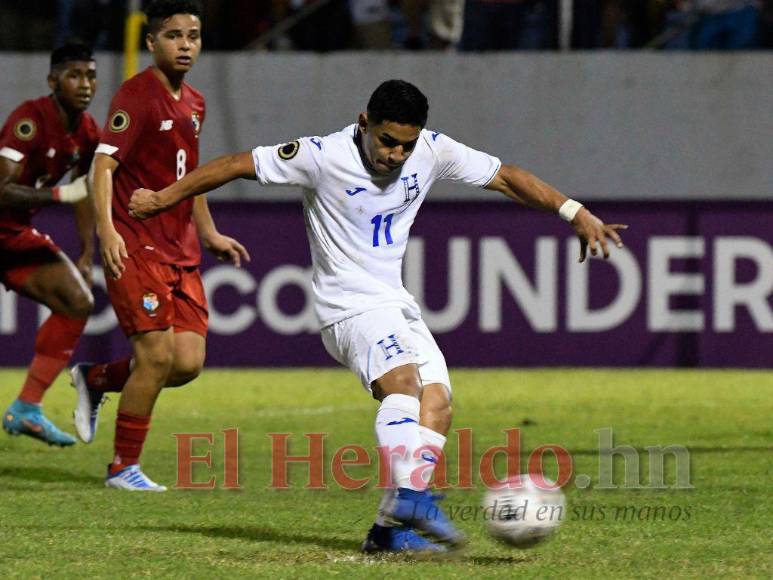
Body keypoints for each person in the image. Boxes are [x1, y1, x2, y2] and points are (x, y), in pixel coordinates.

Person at [128, 80, 626, 549]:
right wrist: (162, 199)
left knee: (438, 403)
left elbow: (505, 177)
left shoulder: (431, 149)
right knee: (402, 384)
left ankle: (389, 531)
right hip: (347, 305)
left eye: (406, 146)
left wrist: (575, 212)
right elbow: (236, 164)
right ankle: (411, 498)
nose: (396, 155)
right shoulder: (322, 155)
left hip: (394, 301)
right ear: (364, 121)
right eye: (388, 141)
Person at [73, 0, 249, 491]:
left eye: (193, 35)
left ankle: (96, 378)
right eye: (173, 36)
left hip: (181, 248)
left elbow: (188, 177)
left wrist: (209, 233)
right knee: (154, 357)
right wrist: (108, 230)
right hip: (136, 245)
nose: (185, 45)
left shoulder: (195, 102)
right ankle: (122, 467)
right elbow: (103, 167)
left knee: (186, 362)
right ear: (151, 43)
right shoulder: (137, 96)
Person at [0, 42, 99, 447]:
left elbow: (84, 190)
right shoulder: (30, 120)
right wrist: (58, 196)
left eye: (91, 75)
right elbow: (2, 189)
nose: (85, 84)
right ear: (53, 81)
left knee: (77, 302)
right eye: (75, 76)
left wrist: (88, 252)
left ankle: (27, 408)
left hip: (11, 235)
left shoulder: (87, 132)